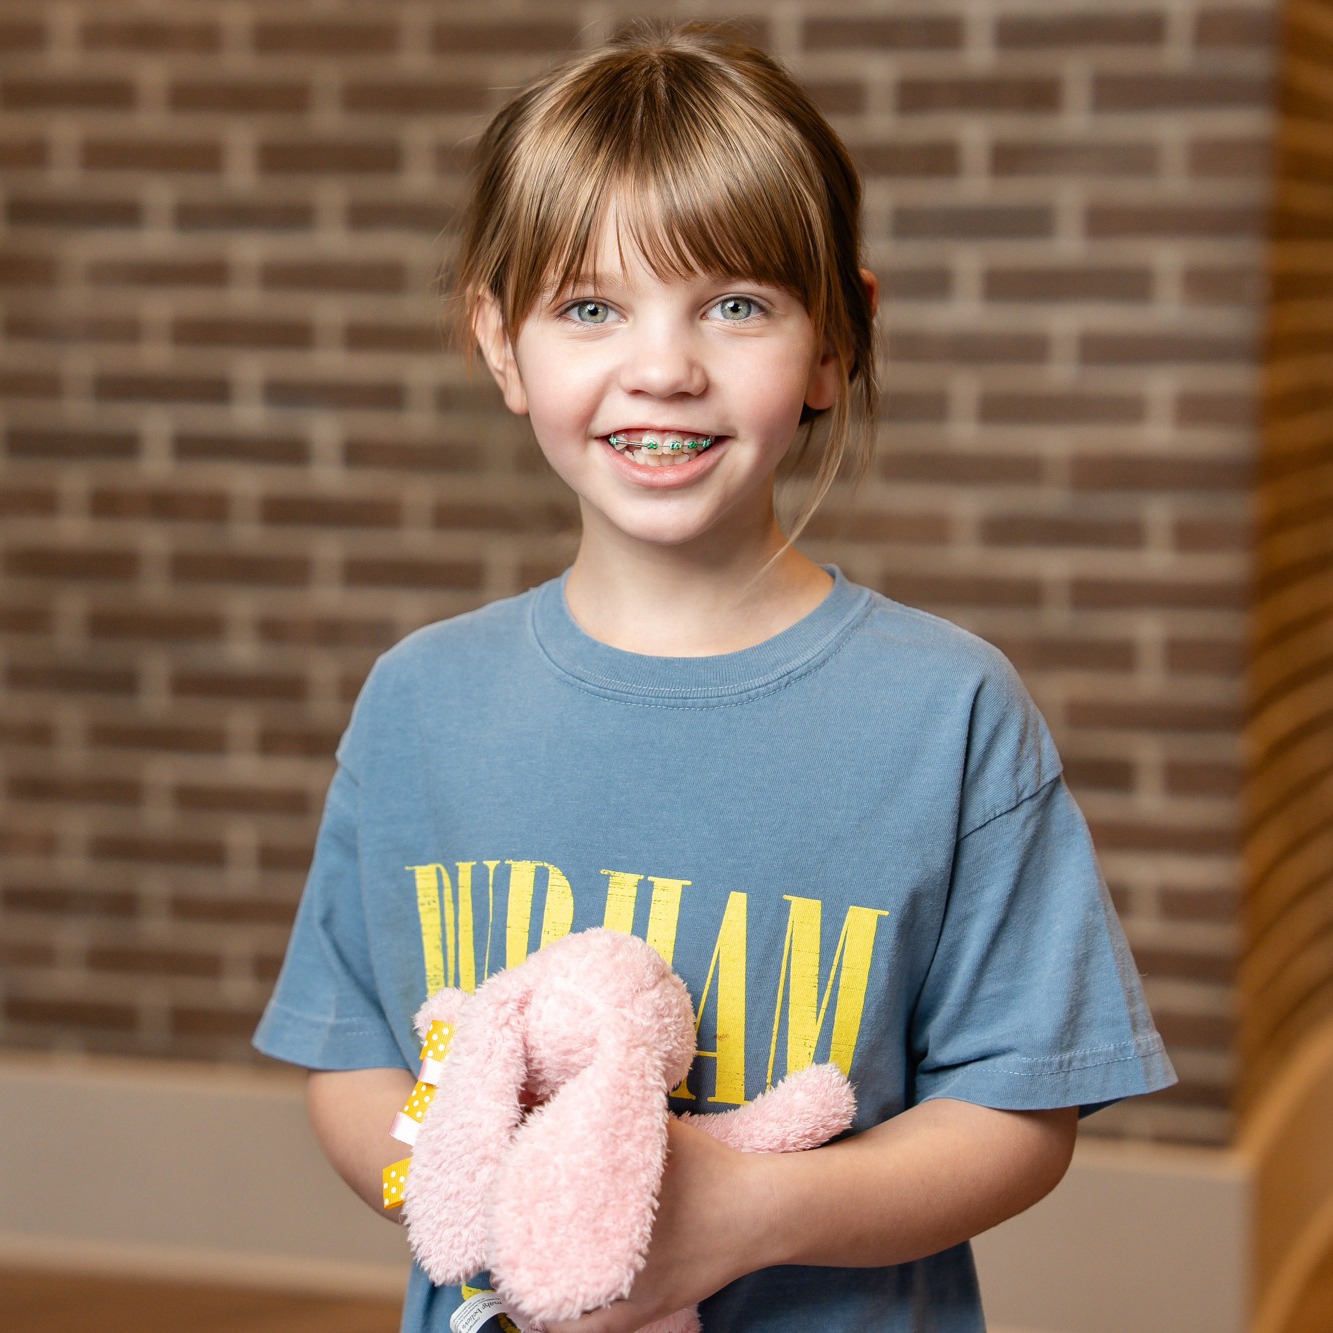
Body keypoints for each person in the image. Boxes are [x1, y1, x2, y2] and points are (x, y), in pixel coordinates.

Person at [254, 21, 1176, 1333]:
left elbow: (1017, 1111)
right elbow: (352, 1061)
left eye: (735, 303)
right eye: (588, 306)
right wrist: (487, 1196)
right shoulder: (420, 701)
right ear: (501, 343)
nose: (664, 365)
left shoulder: (947, 711)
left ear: (833, 341)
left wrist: (741, 1209)